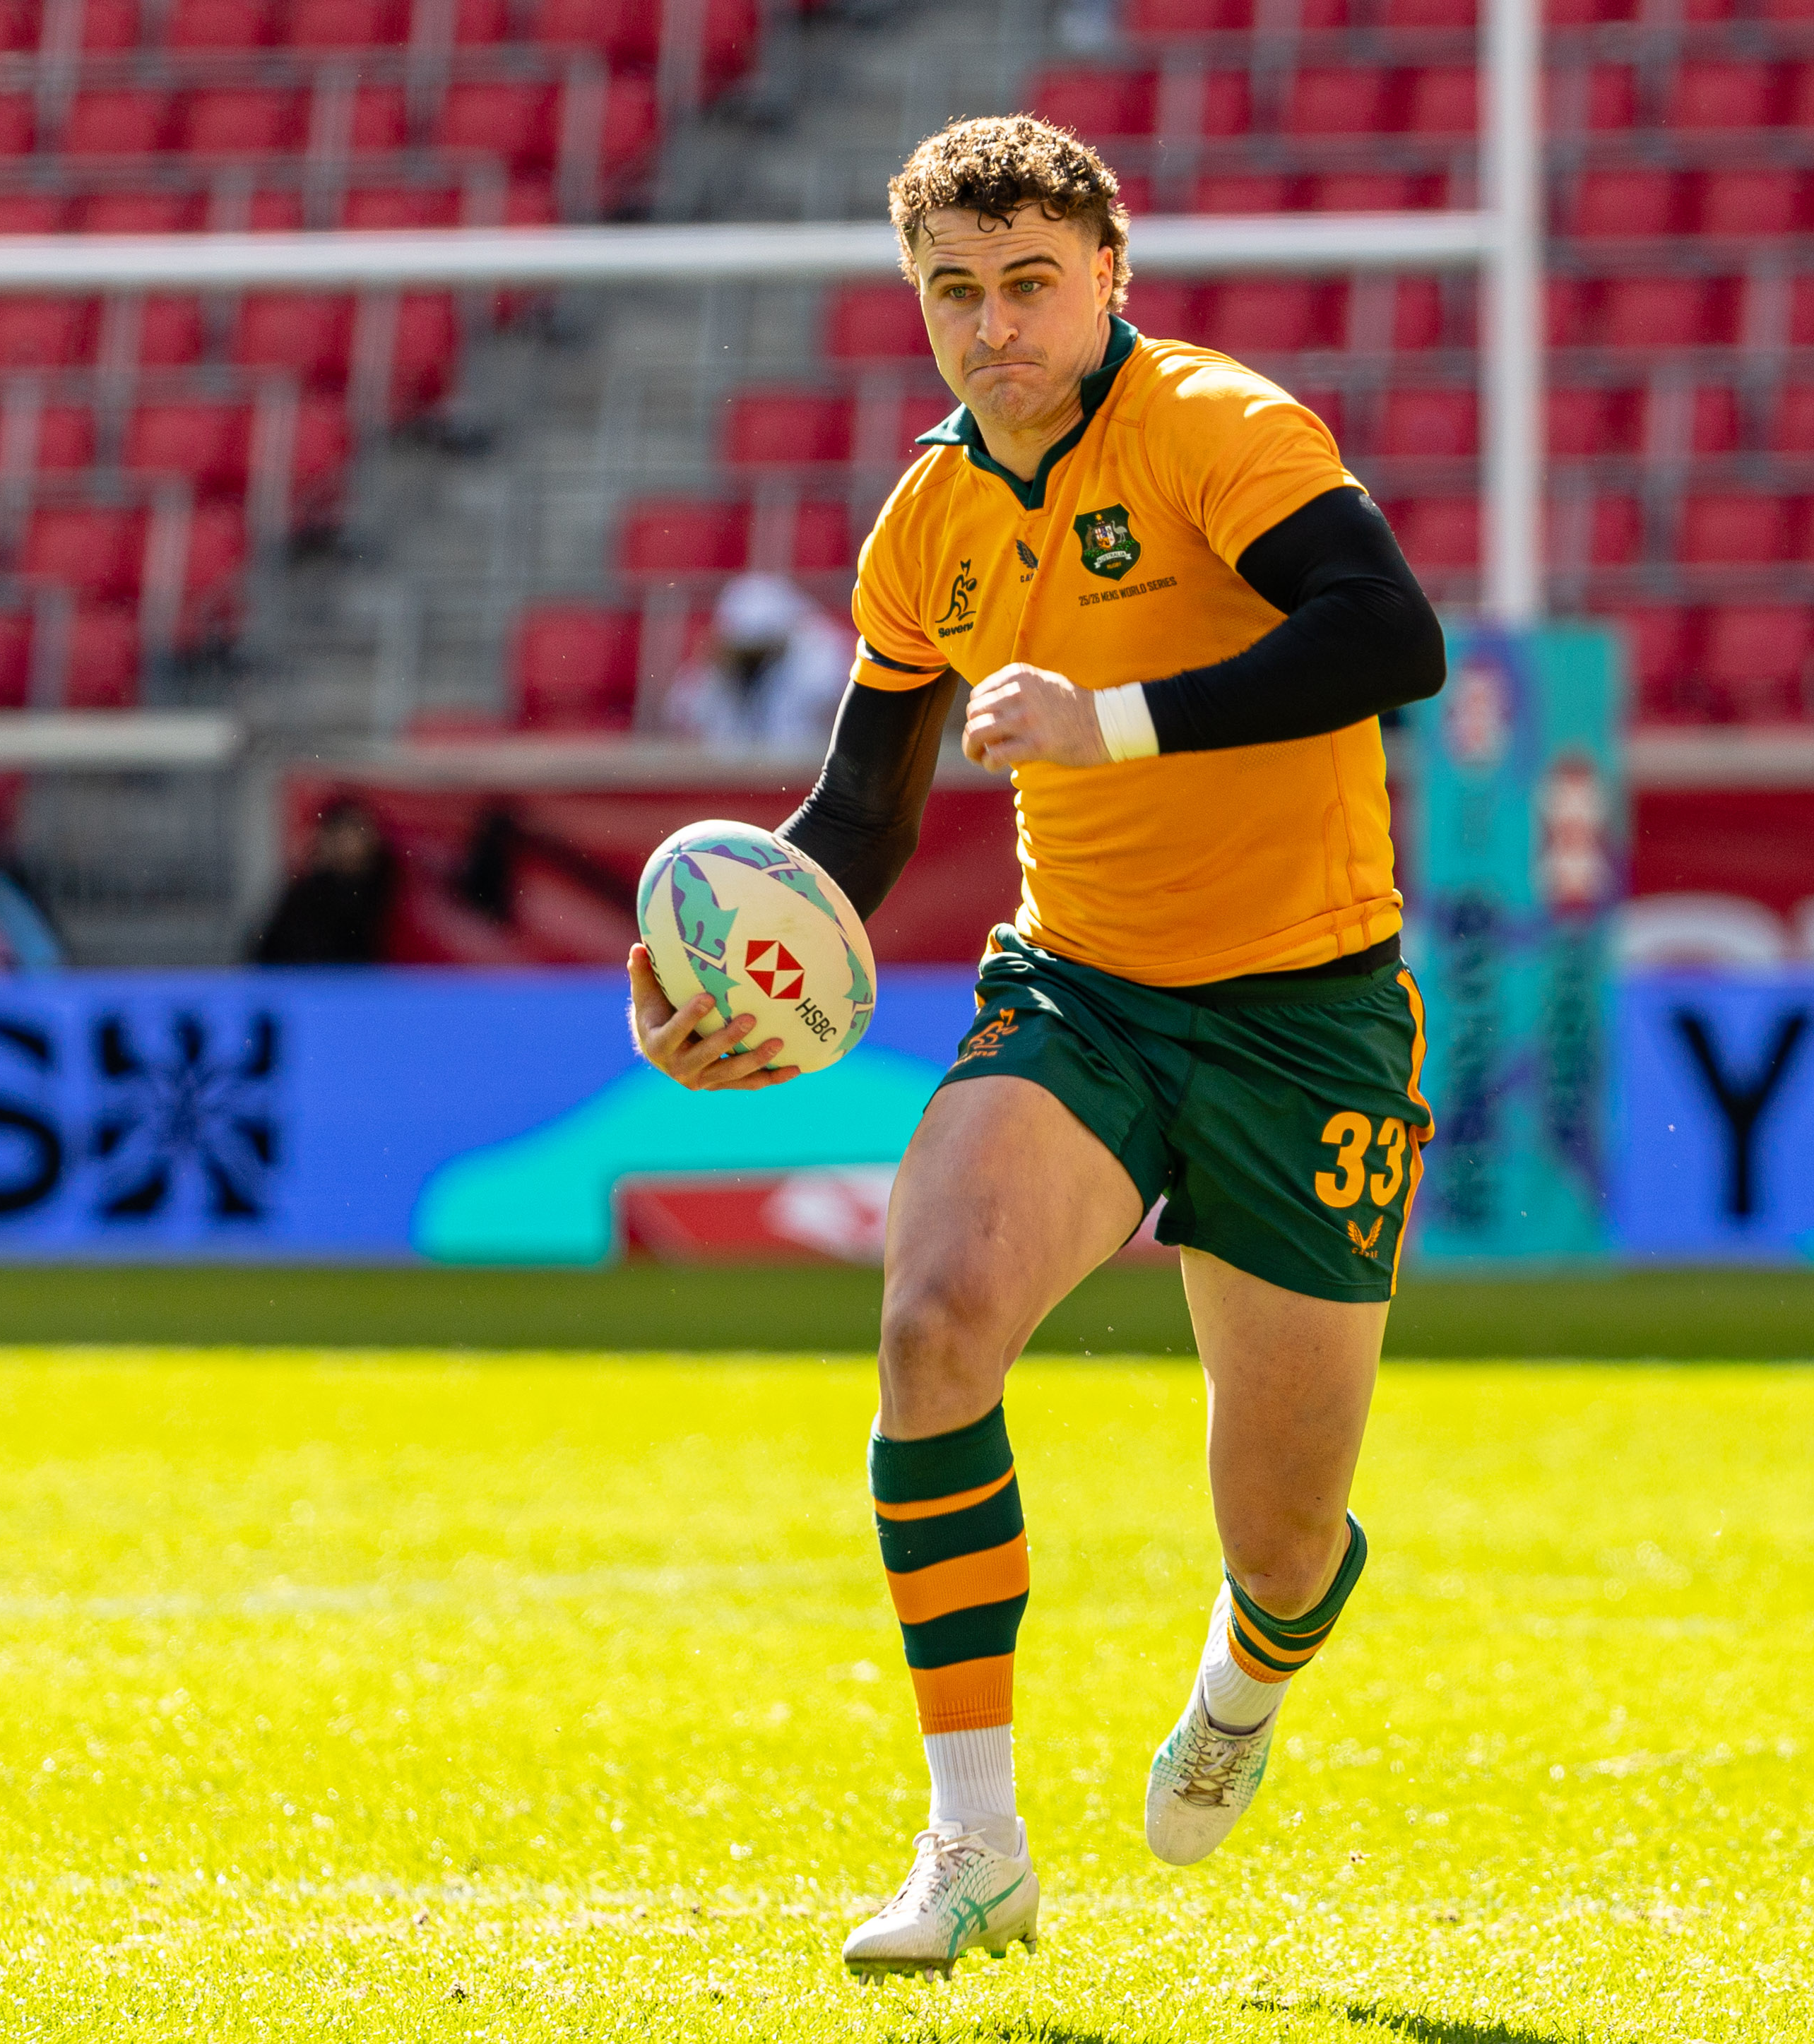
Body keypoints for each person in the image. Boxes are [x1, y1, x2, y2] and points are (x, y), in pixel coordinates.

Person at [622, 115, 1445, 1976]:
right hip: (1081, 991)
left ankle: (1247, 1672)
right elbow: (859, 812)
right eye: (953, 292)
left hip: (1310, 1015)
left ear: (1108, 278)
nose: (992, 327)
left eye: (1027, 284)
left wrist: (1112, 721)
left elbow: (1391, 635)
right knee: (932, 1323)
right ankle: (974, 1843)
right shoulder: (926, 522)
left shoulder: (1217, 424)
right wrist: (714, 970)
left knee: (1285, 1540)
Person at [658, 572, 855, 751]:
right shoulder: (721, 664)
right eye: (746, 649)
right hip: (737, 770)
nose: (753, 659)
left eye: (762, 647)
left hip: (805, 767)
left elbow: (835, 695)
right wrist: (717, 664)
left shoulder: (819, 651)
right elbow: (679, 708)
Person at [251, 799, 396, 963]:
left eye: (354, 836)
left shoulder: (392, 889)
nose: (347, 847)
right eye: (339, 838)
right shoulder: (306, 897)